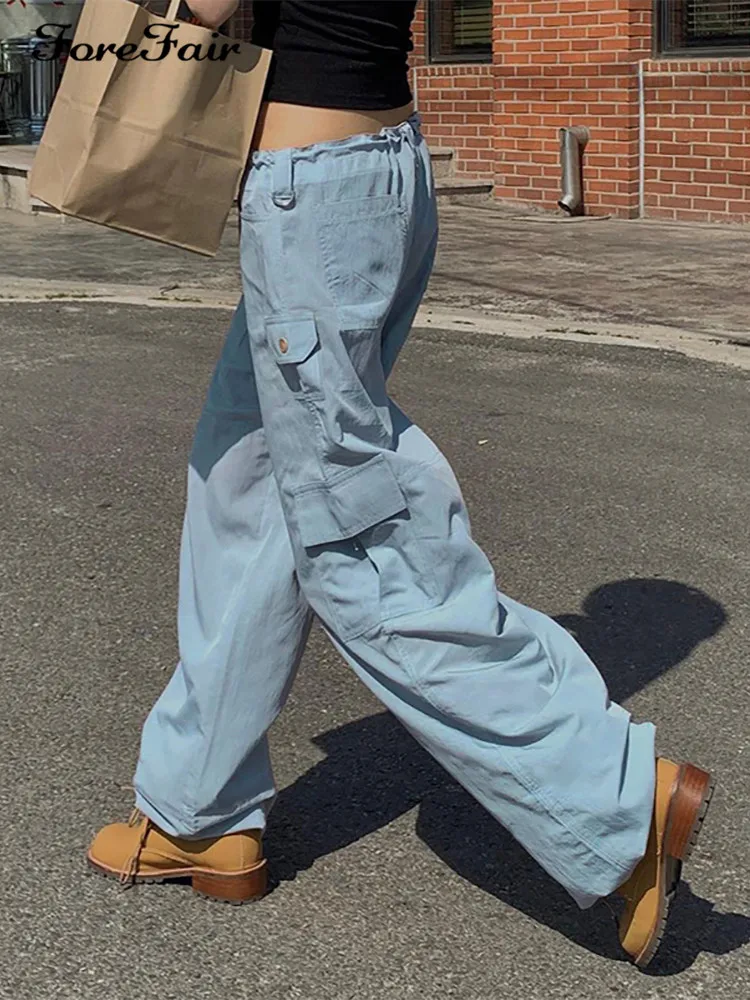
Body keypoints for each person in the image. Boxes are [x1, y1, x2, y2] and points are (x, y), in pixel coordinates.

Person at [88, 1, 713, 969]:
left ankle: (612, 799)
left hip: (311, 185)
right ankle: (197, 811)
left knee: (356, 542)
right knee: (245, 479)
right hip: (376, 165)